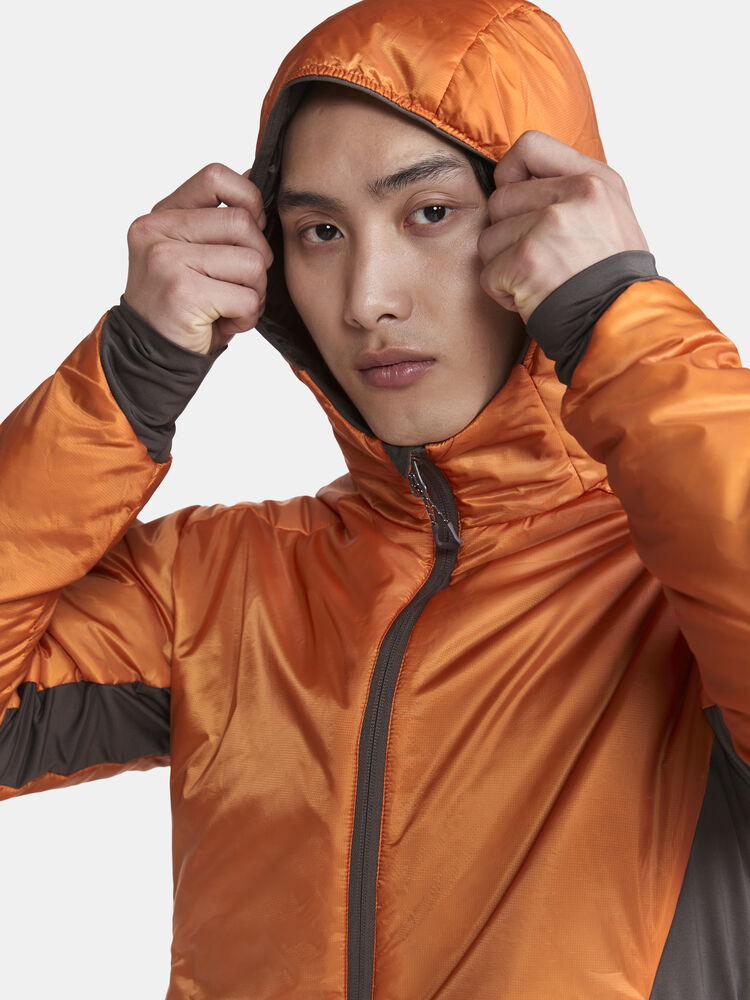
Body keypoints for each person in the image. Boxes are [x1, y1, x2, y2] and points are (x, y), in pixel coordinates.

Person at [1, 0, 748, 997]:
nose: (365, 300)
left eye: (429, 214)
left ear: (550, 219)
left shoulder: (674, 593)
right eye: (319, 232)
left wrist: (616, 315)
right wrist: (128, 376)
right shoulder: (220, 587)